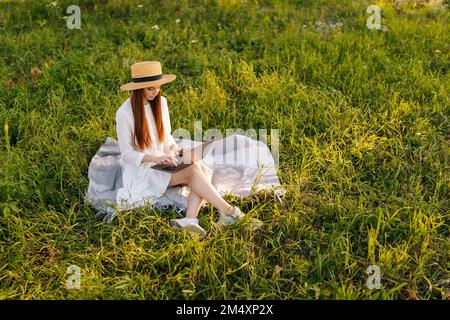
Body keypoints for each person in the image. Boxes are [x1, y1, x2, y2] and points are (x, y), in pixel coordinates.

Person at [116, 61, 262, 237]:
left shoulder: (161, 103)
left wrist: (177, 150)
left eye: (158, 88)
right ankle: (231, 213)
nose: (155, 93)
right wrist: (155, 159)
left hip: (166, 161)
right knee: (194, 172)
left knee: (203, 169)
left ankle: (189, 221)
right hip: (144, 169)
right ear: (139, 88)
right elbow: (126, 154)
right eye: (150, 89)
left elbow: (166, 136)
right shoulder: (124, 114)